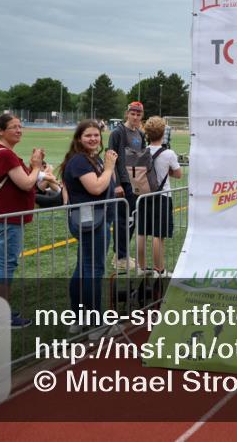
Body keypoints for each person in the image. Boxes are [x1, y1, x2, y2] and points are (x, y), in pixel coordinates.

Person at [0, 113, 44, 329]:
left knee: (0, 261)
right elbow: (27, 183)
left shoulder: (1, 152)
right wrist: (36, 165)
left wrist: (35, 169)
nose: (19, 130)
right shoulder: (4, 155)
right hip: (9, 218)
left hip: (5, 216)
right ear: (0, 130)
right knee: (6, 264)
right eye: (13, 127)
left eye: (20, 126)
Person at [60, 120, 117, 322]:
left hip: (97, 220)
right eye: (88, 135)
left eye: (96, 135)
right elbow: (95, 188)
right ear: (78, 138)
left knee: (84, 268)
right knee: (94, 269)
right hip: (92, 222)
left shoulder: (92, 159)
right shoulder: (80, 161)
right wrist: (110, 168)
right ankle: (95, 322)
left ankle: (78, 318)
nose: (93, 139)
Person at [137, 116, 182, 277]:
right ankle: (159, 269)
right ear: (163, 133)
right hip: (162, 196)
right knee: (158, 235)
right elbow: (178, 174)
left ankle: (141, 268)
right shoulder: (168, 153)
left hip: (144, 196)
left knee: (141, 232)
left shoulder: (143, 151)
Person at [107, 101, 146, 271]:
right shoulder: (118, 133)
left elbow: (142, 159)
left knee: (131, 221)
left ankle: (121, 255)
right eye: (133, 113)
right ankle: (120, 257)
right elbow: (111, 158)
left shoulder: (140, 134)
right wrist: (116, 184)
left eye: (138, 114)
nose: (135, 117)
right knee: (122, 221)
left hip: (136, 184)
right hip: (123, 183)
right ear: (127, 114)